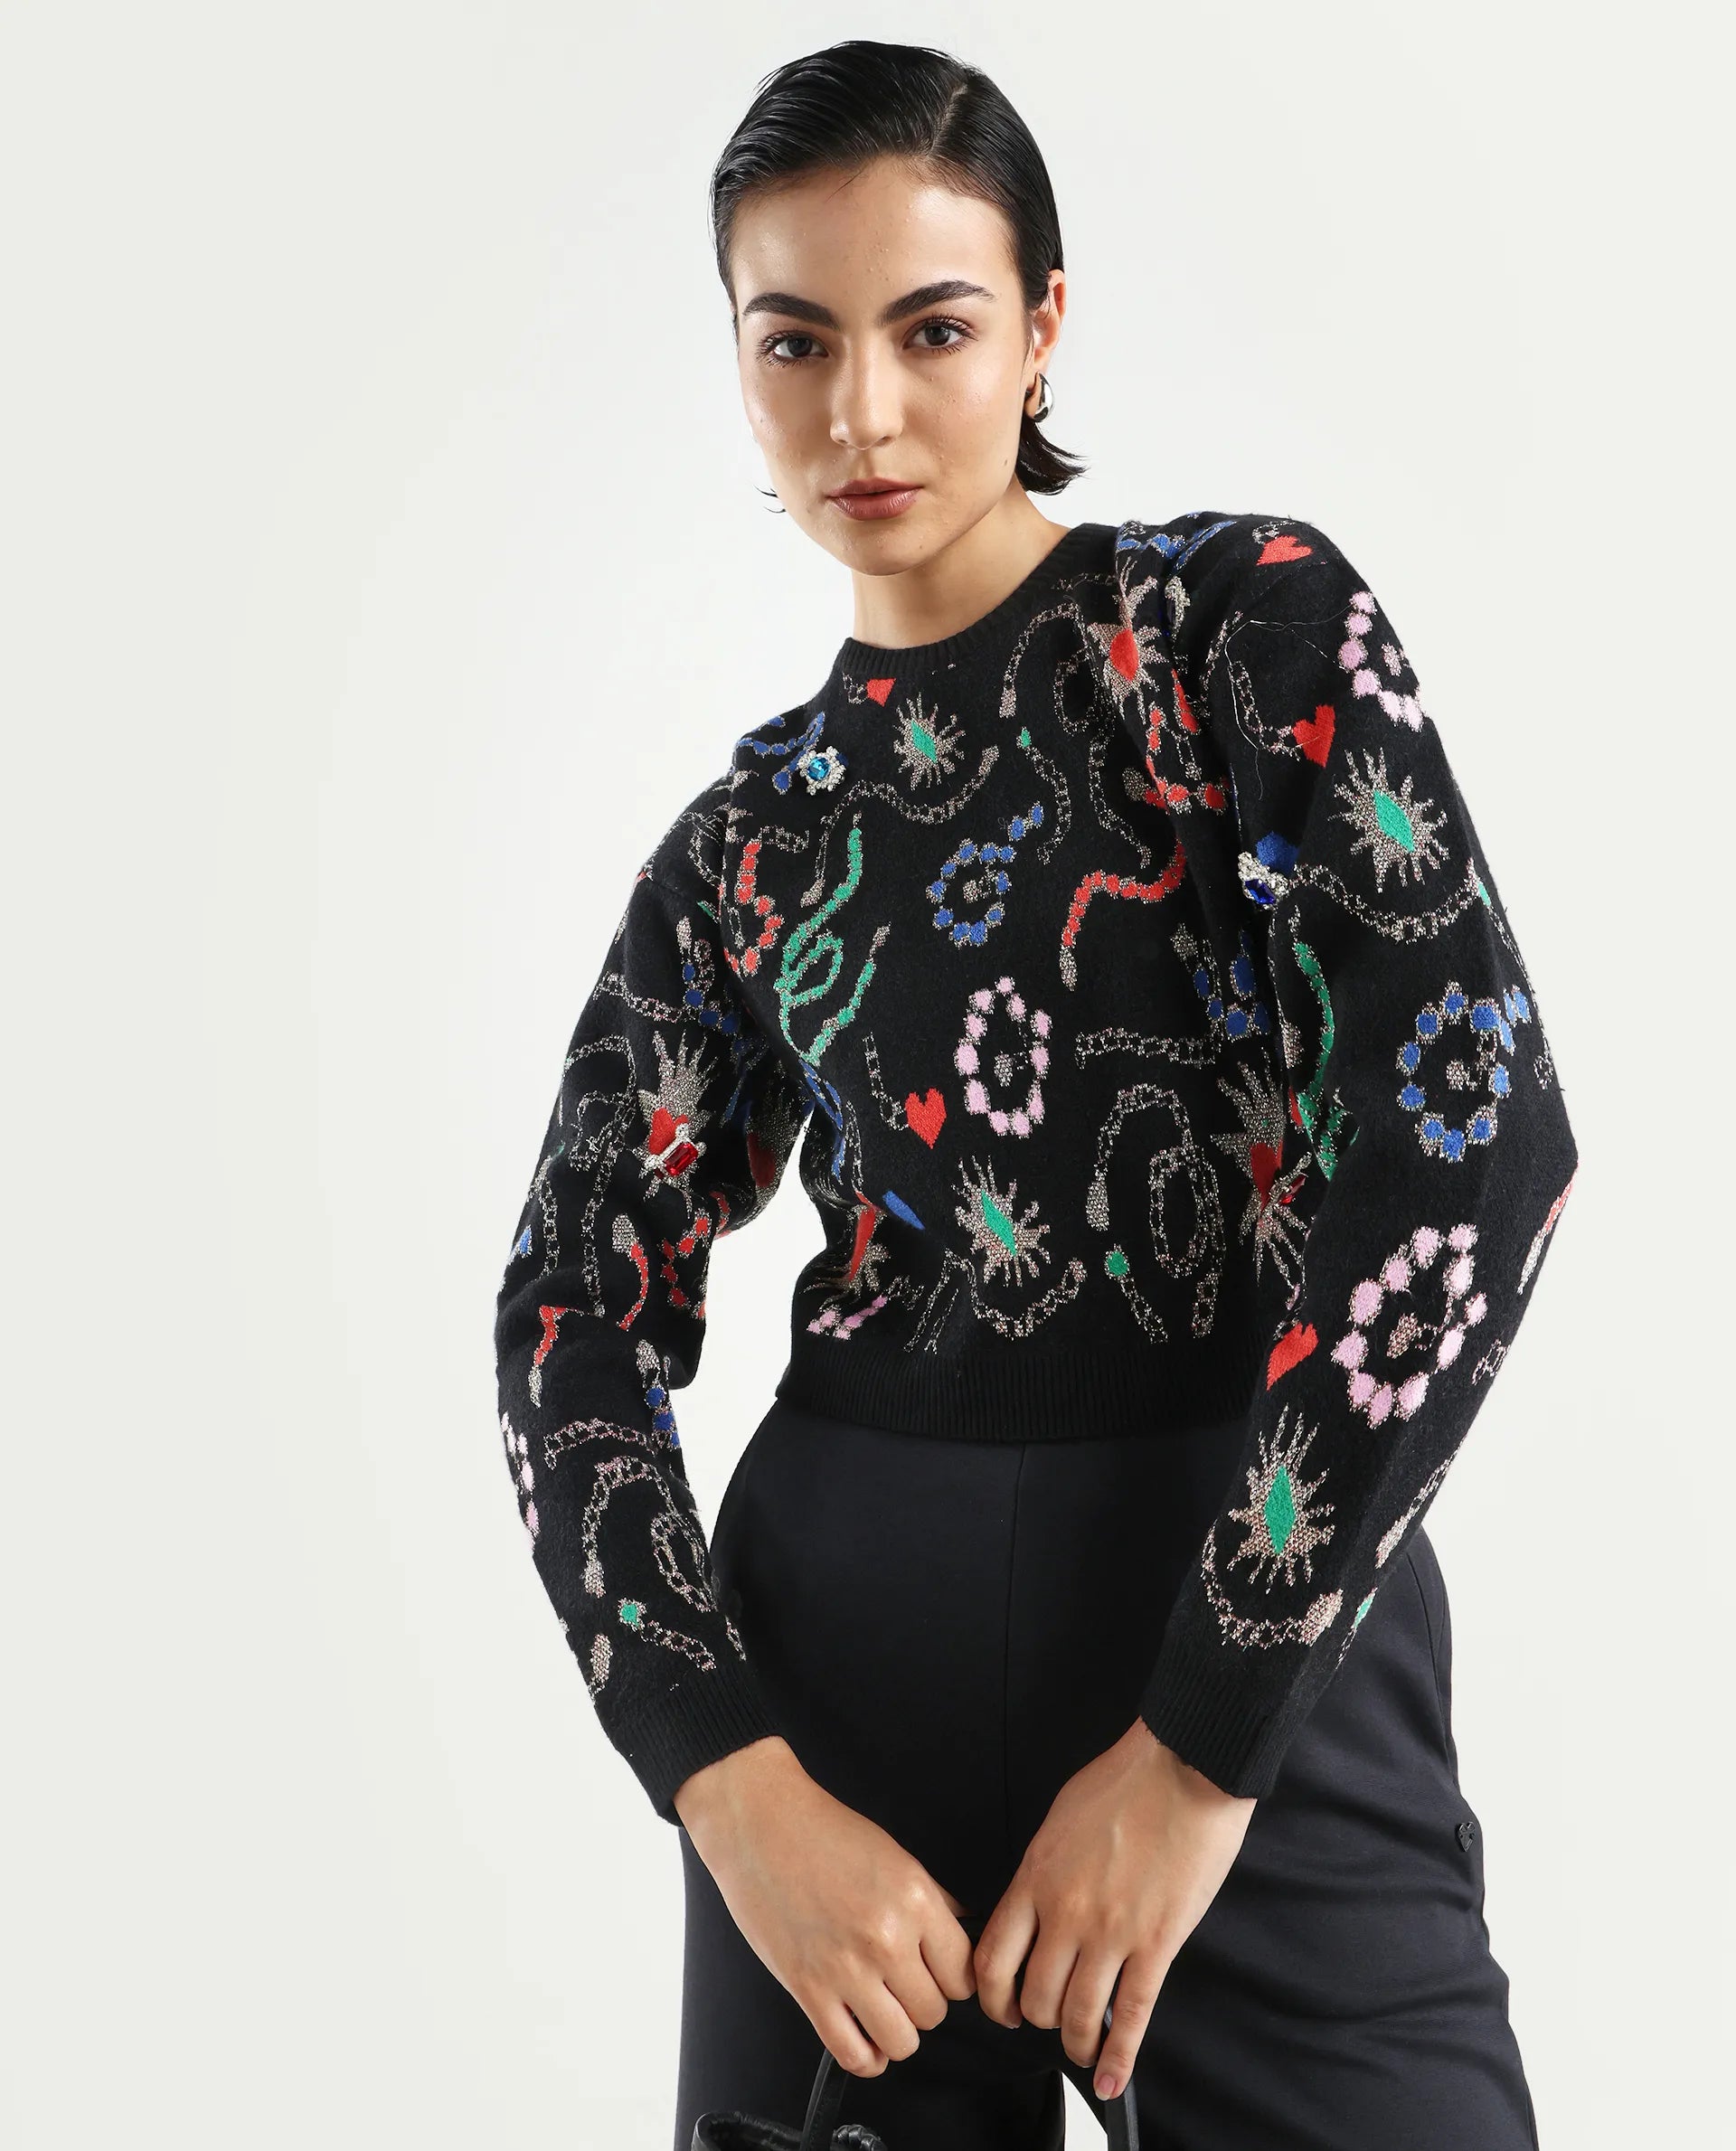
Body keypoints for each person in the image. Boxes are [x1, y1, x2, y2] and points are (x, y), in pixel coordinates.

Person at [493, 39, 1579, 2150]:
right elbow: (564, 1318)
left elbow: (1478, 1139)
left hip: (1243, 1595)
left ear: (1043, 323)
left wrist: (1200, 1744)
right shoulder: (751, 842)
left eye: (933, 328)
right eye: (795, 340)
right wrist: (730, 1784)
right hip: (840, 1676)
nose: (862, 413)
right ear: (737, 359)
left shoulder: (1239, 631)